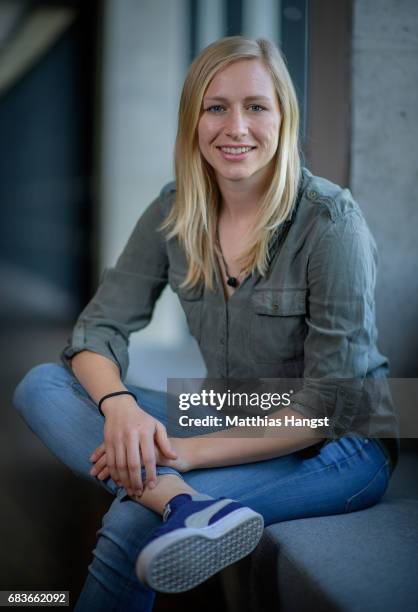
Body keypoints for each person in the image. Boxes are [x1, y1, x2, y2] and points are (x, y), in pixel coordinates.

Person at [13, 36, 398, 611]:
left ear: (283, 117)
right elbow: (95, 333)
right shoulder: (175, 211)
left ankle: (169, 496)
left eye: (256, 107)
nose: (234, 126)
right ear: (193, 119)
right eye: (216, 107)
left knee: (132, 521)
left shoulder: (329, 219)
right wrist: (120, 409)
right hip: (231, 408)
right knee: (40, 385)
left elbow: (329, 405)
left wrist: (184, 454)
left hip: (338, 442)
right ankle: (180, 500)